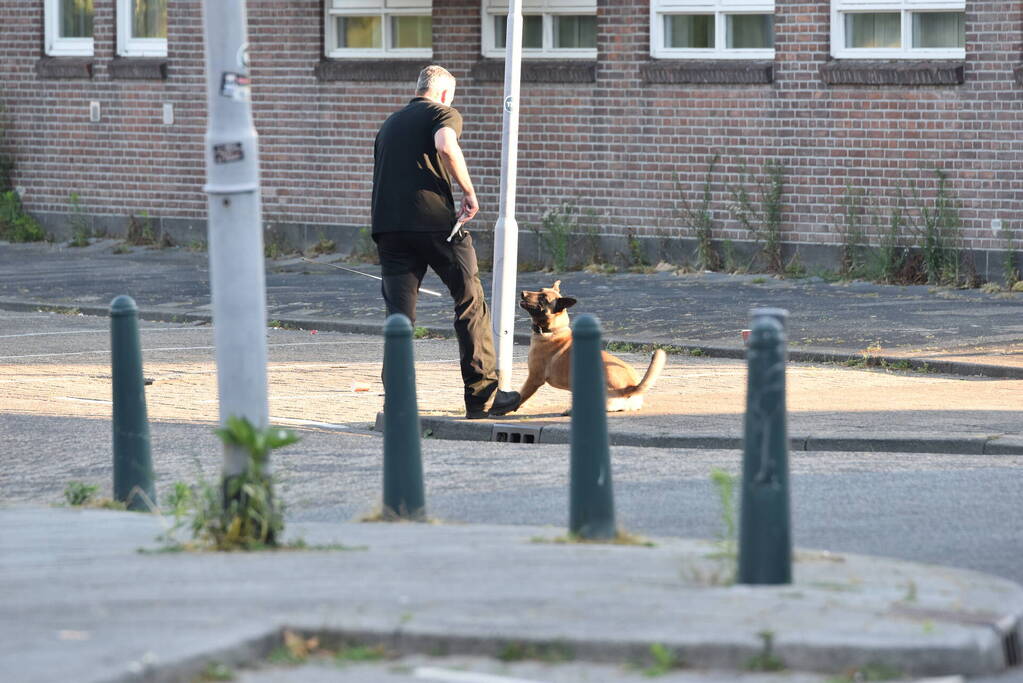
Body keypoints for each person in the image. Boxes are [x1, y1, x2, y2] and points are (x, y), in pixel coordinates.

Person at [372, 65, 520, 419]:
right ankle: (482, 397)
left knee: (399, 319)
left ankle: (397, 405)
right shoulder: (443, 112)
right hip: (435, 222)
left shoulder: (389, 123)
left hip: (388, 228)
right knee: (469, 299)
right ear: (442, 93)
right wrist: (468, 192)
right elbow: (445, 144)